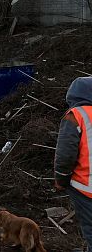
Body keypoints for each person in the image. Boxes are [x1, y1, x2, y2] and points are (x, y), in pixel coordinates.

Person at [55, 77, 92, 252]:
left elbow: (65, 154)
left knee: (90, 229)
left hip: (86, 188)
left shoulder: (75, 115)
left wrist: (61, 180)